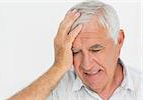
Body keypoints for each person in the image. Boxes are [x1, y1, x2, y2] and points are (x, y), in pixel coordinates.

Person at [9, 0, 142, 100]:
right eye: (76, 51)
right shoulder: (56, 88)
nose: (87, 65)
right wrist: (58, 67)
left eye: (95, 49)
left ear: (119, 41)